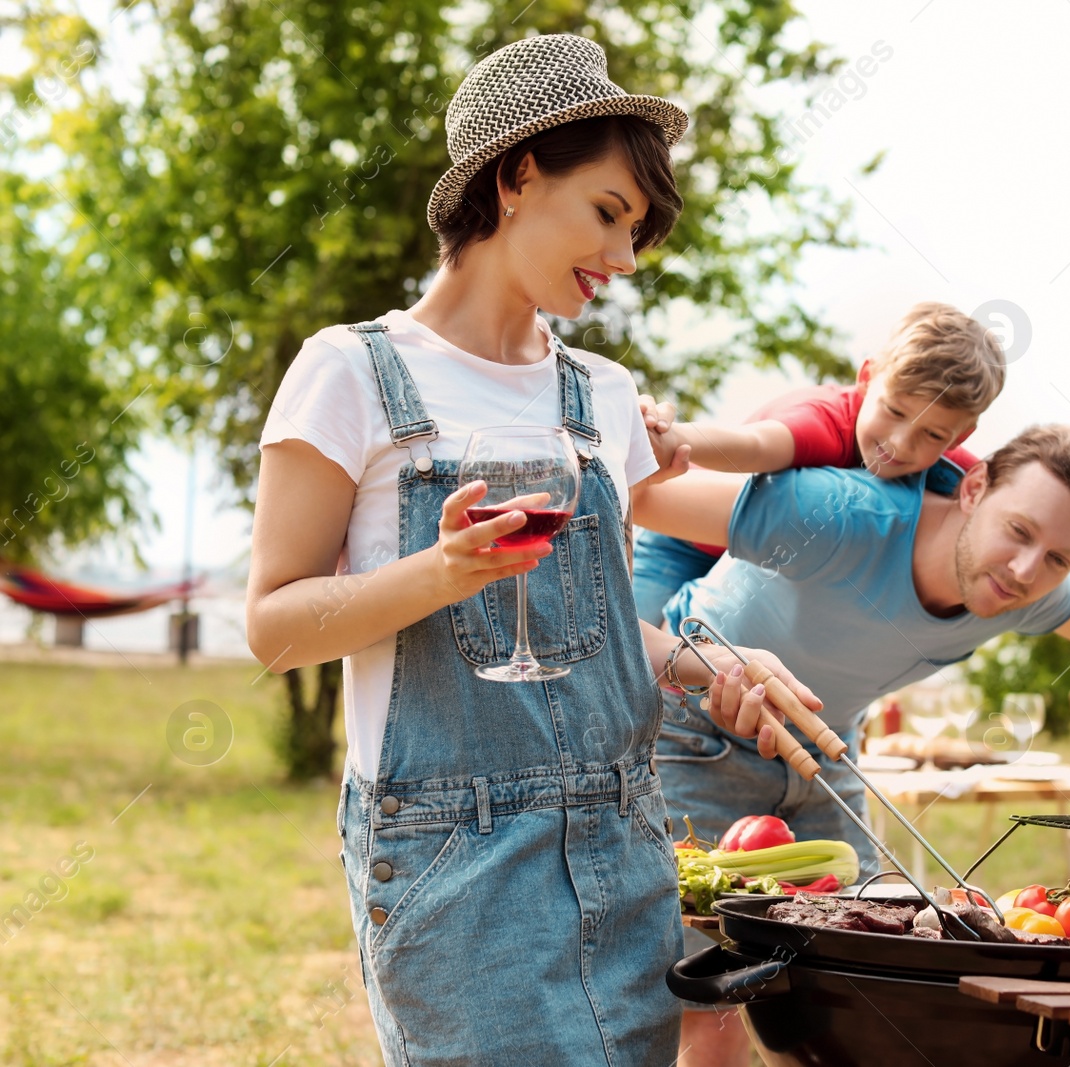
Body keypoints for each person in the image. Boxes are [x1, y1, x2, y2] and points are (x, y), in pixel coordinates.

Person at [245, 35, 818, 1066]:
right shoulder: (350, 373)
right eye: (608, 212)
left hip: (624, 841)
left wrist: (712, 663)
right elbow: (275, 627)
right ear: (515, 176)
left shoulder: (598, 394)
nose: (626, 259)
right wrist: (442, 571)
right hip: (453, 860)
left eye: (638, 231)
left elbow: (589, 632)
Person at [632, 423, 1070, 1067]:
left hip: (827, 747)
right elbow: (629, 496)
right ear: (974, 488)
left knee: (858, 981)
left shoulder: (1024, 591)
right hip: (692, 729)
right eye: (1020, 531)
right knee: (718, 1010)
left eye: (1060, 559)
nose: (1027, 569)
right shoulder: (839, 513)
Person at [631, 303, 1070, 624]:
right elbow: (752, 445)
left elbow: (1065, 530)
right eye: (894, 411)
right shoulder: (821, 421)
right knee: (634, 653)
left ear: (959, 436)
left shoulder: (954, 467)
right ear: (868, 377)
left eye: (932, 434)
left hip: (756, 555)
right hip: (684, 542)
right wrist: (672, 436)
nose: (899, 444)